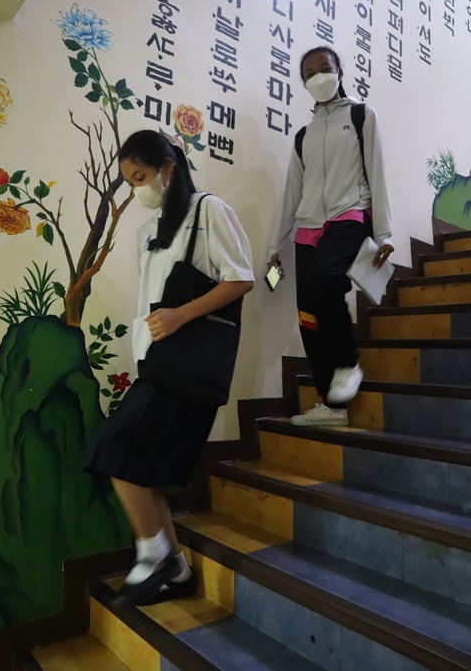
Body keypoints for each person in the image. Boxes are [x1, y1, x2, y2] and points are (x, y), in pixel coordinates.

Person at [83, 129, 254, 605]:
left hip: (187, 364)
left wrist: (181, 315)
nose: (136, 189)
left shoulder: (208, 211)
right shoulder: (147, 231)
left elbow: (241, 279)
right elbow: (149, 301)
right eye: (129, 182)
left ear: (167, 168)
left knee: (116, 451)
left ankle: (153, 555)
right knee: (141, 468)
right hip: (156, 361)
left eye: (140, 177)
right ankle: (176, 569)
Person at [267, 46, 393, 427]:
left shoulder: (361, 115)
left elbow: (377, 171)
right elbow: (292, 192)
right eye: (310, 73)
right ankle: (332, 406)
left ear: (340, 72)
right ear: (304, 82)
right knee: (308, 315)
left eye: (325, 68)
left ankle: (348, 364)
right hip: (308, 226)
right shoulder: (303, 136)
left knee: (323, 278)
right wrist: (274, 245)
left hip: (349, 213)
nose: (318, 76)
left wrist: (384, 232)